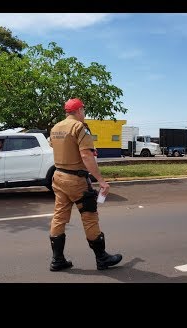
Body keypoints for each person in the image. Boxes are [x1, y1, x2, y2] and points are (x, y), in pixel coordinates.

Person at [48, 97, 122, 271]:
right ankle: (101, 258)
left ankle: (57, 260)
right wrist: (101, 181)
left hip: (58, 177)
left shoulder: (55, 128)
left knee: (59, 217)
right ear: (79, 110)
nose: (85, 113)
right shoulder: (79, 127)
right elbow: (87, 156)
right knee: (89, 217)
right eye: (84, 110)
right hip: (76, 180)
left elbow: (54, 145)